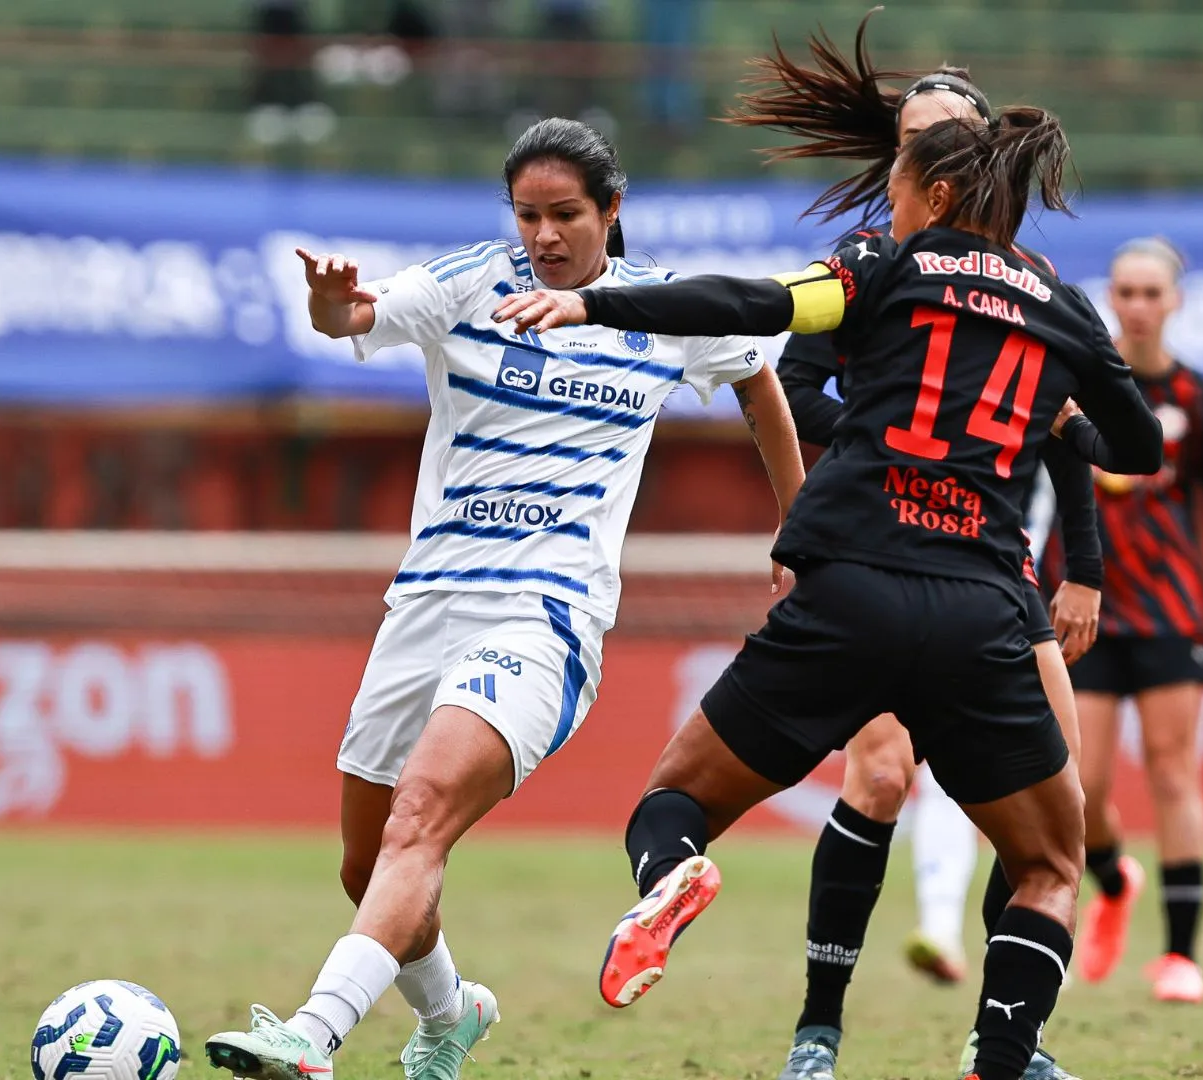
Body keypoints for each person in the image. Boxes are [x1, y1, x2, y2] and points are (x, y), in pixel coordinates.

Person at [495, 100, 1165, 1080]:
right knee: (1052, 870)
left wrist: (596, 303)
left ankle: (675, 879)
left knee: (672, 802)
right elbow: (1138, 449)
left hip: (849, 586)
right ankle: (1001, 1057)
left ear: (933, 196)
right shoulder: (1064, 310)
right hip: (982, 606)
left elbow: (759, 308)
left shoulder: (880, 266)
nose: (883, 206)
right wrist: (1060, 421)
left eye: (891, 190)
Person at [199, 117, 806, 1080]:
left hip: (544, 614)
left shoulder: (661, 308)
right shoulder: (469, 283)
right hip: (426, 605)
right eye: (528, 215)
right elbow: (353, 320)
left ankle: (310, 1037)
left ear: (612, 211)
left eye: (566, 214)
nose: (546, 236)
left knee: (420, 817)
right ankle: (450, 1015)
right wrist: (329, 307)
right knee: (368, 867)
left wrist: (796, 529)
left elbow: (759, 381)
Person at [744, 40, 1105, 1080]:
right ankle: (819, 1033)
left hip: (994, 568)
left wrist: (1081, 569)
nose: (924, 159)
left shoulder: (1028, 285)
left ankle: (1006, 1041)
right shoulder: (863, 262)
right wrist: (884, 433)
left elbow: (1066, 426)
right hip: (876, 549)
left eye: (942, 140)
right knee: (880, 772)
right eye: (910, 142)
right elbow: (789, 384)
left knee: (1056, 815)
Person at [1038, 237, 1203, 1003]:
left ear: (1175, 302)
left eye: (1149, 293)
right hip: (1081, 608)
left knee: (1172, 771)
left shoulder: (1201, 399)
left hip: (1169, 611)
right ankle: (1112, 879)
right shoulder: (1073, 387)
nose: (1136, 305)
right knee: (1082, 784)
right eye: (1124, 292)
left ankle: (1180, 957)